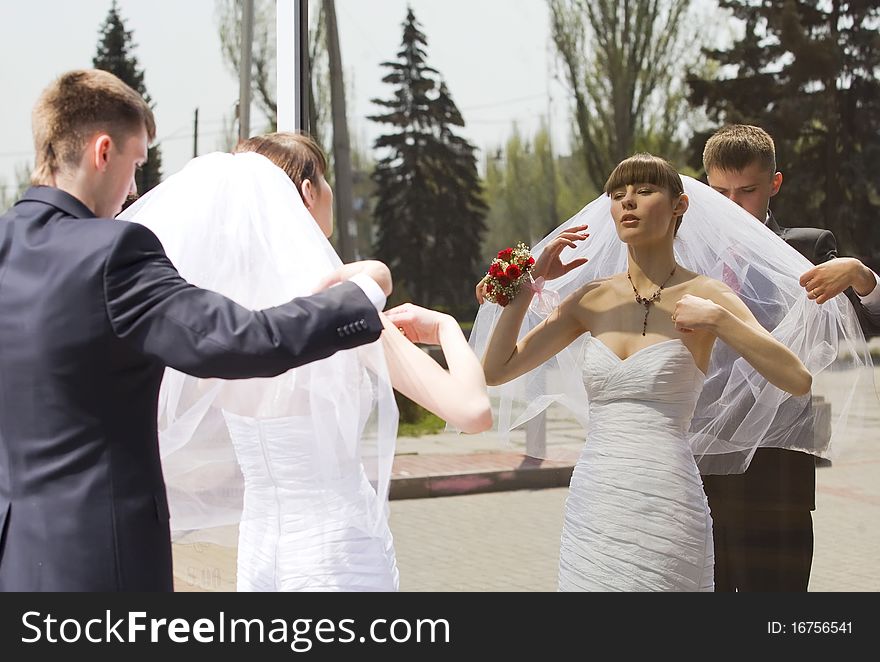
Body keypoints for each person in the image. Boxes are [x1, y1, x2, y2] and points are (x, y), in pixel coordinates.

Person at [0, 70, 394, 592]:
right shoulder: (112, 255)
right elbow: (239, 341)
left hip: (16, 558)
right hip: (102, 563)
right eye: (135, 162)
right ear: (102, 152)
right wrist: (362, 294)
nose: (135, 188)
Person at [121, 132, 492, 591]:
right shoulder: (341, 313)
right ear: (308, 192)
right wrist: (445, 328)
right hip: (338, 555)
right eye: (326, 178)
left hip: (258, 554)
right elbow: (472, 411)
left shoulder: (222, 323)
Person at [476, 153, 813, 591]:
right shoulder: (589, 299)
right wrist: (526, 289)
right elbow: (496, 369)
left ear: (680, 206)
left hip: (668, 499)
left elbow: (797, 379)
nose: (627, 202)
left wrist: (719, 321)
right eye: (618, 195)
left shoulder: (709, 294)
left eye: (644, 190)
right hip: (596, 499)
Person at [699, 124, 880, 591]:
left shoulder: (807, 249)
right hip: (698, 475)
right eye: (720, 192)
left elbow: (867, 324)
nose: (732, 204)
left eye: (747, 191)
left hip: (777, 479)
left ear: (774, 184)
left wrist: (861, 276)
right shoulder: (685, 252)